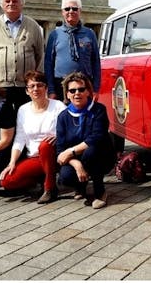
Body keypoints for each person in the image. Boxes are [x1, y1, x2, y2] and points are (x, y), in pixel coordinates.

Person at [0, 70, 66, 204]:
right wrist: (12, 162)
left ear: (46, 88)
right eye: (32, 86)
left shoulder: (58, 106)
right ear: (26, 91)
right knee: (7, 181)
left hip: (54, 154)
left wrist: (58, 137)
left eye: (40, 85)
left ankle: (50, 188)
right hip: (34, 158)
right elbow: (20, 138)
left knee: (45, 145)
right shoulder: (23, 110)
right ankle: (42, 177)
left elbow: (68, 130)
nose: (36, 89)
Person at [56, 72, 114, 209]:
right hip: (77, 158)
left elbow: (96, 137)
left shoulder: (99, 110)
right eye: (72, 90)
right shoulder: (62, 117)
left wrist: (71, 151)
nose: (77, 93)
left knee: (91, 151)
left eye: (81, 89)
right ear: (67, 94)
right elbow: (60, 148)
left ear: (88, 91)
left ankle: (100, 192)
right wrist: (77, 165)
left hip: (100, 155)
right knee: (65, 177)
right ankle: (80, 186)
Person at [45, 0, 101, 101]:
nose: (71, 11)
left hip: (84, 85)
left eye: (74, 9)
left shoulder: (90, 34)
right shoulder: (54, 35)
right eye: (67, 9)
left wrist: (95, 89)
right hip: (60, 86)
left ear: (80, 11)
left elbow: (96, 63)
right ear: (62, 12)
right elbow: (48, 63)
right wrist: (51, 90)